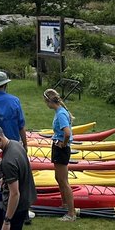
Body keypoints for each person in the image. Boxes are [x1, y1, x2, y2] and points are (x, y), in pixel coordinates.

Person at [43, 88, 75, 220]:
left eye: (45, 101)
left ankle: (71, 213)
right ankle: (64, 204)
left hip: (61, 148)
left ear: (49, 101)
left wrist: (63, 143)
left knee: (63, 180)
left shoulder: (61, 113)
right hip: (58, 147)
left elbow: (67, 133)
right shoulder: (60, 111)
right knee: (58, 178)